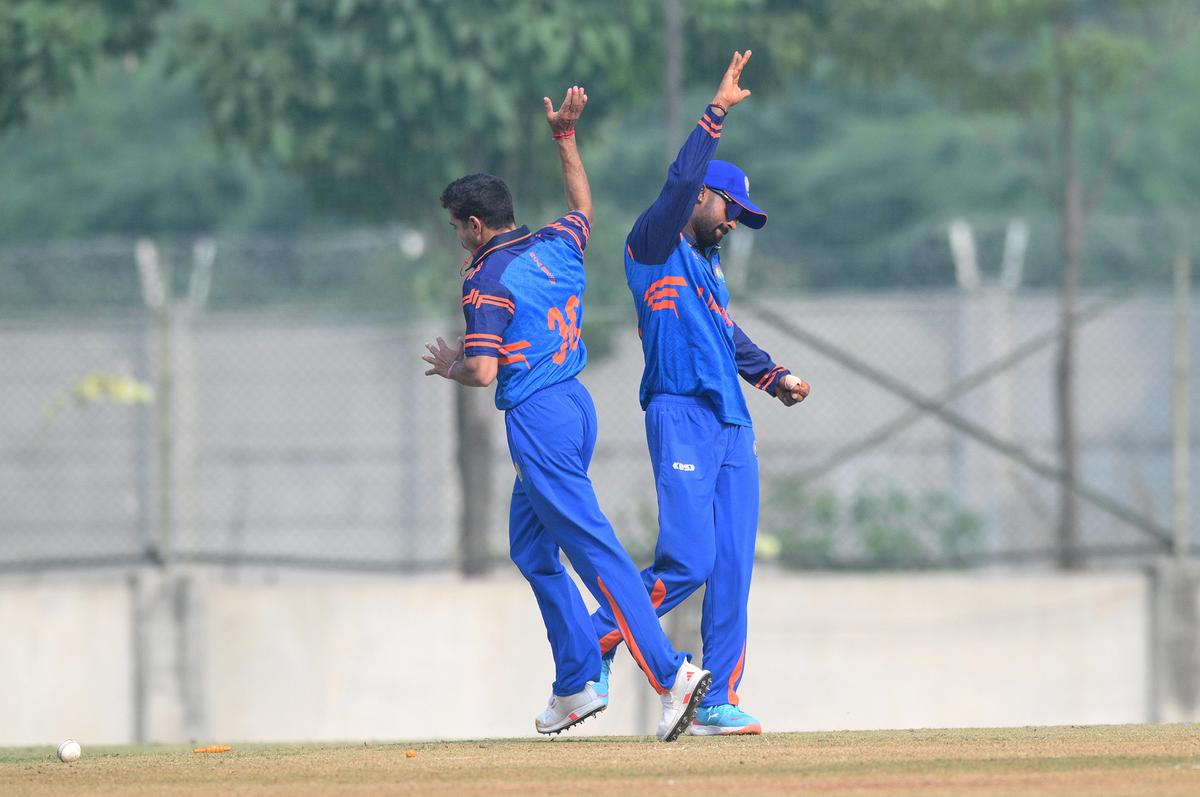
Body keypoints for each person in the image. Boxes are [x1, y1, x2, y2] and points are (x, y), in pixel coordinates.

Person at [422, 86, 711, 742]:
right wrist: (564, 138)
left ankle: (671, 674)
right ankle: (576, 680)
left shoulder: (483, 278)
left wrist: (450, 366)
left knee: (594, 551)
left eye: (455, 228)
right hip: (575, 407)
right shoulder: (557, 244)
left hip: (535, 418)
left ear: (472, 224)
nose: (456, 240)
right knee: (530, 546)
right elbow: (584, 204)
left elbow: (486, 368)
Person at [591, 51, 810, 736]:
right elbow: (680, 178)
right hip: (679, 413)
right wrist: (714, 113)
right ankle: (595, 635)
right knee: (687, 559)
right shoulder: (652, 245)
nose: (733, 223)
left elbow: (727, 336)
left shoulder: (711, 273)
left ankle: (717, 697)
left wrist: (773, 377)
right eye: (730, 209)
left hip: (731, 426)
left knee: (732, 567)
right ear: (700, 200)